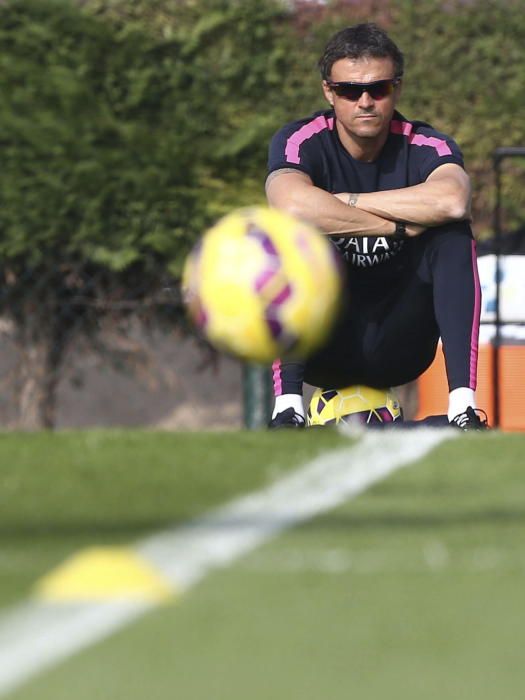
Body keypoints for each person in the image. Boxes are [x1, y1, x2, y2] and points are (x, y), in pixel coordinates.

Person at [266, 22, 488, 431]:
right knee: (291, 235)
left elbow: (452, 200)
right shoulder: (300, 140)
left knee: (452, 234)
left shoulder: (427, 144)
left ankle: (463, 406)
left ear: (397, 89)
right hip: (323, 348)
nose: (365, 101)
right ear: (329, 92)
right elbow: (291, 205)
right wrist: (398, 226)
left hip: (400, 346)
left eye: (379, 89)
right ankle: (287, 407)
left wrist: (336, 205)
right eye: (350, 91)